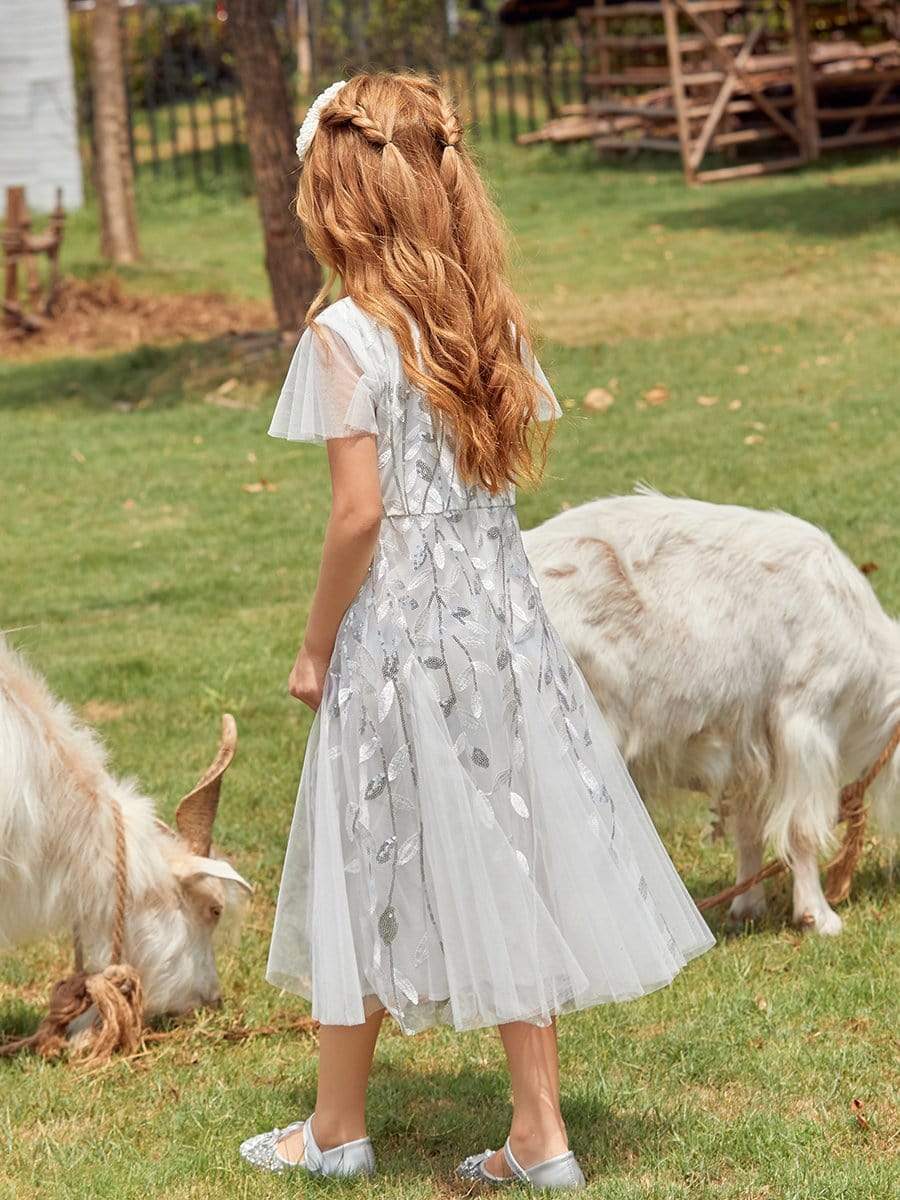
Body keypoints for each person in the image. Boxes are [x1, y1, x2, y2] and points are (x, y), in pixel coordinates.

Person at [240, 72, 715, 1189]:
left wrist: (315, 645)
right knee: (517, 841)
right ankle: (540, 1138)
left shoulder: (345, 335)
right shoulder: (480, 313)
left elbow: (360, 515)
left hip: (401, 628)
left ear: (342, 194)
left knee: (364, 852)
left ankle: (337, 1128)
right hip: (501, 625)